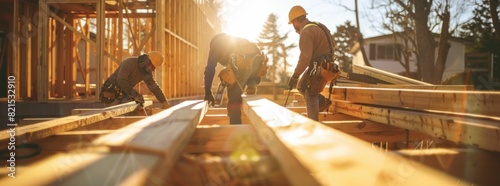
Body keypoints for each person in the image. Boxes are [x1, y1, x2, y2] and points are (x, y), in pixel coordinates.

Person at [204, 33, 268, 124]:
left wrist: (207, 91)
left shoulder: (216, 45)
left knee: (234, 101)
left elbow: (210, 68)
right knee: (249, 71)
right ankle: (252, 83)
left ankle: (236, 126)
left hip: (241, 59)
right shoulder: (233, 40)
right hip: (259, 58)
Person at [287, 5, 335, 121]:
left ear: (297, 21)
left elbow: (305, 58)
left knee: (311, 93)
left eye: (293, 23)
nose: (294, 27)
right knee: (301, 86)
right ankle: (322, 102)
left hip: (319, 64)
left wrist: (295, 75)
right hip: (327, 63)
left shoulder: (306, 32)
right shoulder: (318, 26)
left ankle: (313, 125)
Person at [100, 51, 172, 109]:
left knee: (127, 118)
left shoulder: (146, 72)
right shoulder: (129, 63)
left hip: (124, 93)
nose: (153, 69)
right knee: (112, 119)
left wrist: (164, 102)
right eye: (153, 66)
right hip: (112, 92)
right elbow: (121, 80)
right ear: (147, 61)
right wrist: (135, 95)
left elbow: (154, 88)